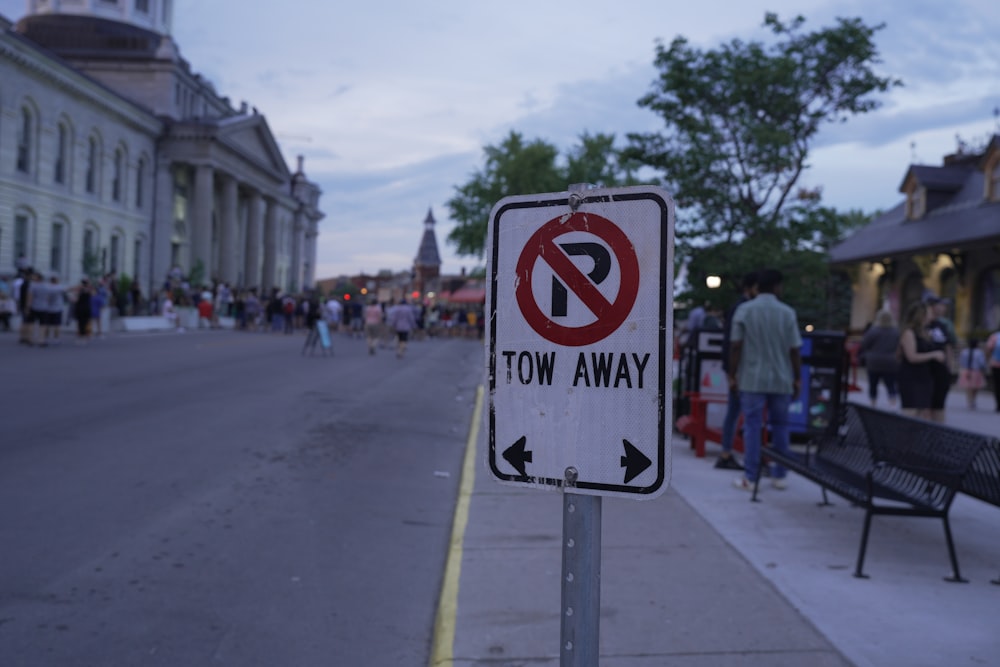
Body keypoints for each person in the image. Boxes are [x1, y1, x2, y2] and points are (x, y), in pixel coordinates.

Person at [728, 269, 801, 492]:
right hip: (781, 379)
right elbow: (794, 349)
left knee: (752, 426)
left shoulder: (744, 311)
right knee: (780, 426)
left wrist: (732, 375)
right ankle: (779, 475)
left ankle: (751, 476)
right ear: (778, 287)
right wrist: (797, 378)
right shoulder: (787, 313)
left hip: (752, 378)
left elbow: (736, 346)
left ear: (757, 287)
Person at [715, 271, 757, 471]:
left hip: (734, 366)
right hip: (738, 367)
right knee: (736, 412)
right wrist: (732, 374)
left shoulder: (738, 307)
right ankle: (726, 453)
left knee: (735, 412)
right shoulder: (743, 308)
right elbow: (734, 343)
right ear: (750, 288)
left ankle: (726, 452)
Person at [897, 301, 946, 420]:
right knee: (911, 412)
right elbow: (912, 357)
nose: (931, 315)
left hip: (926, 377)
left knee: (923, 413)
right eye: (929, 313)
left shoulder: (925, 332)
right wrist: (933, 354)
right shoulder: (908, 332)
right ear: (921, 315)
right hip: (912, 377)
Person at [858, 310, 901, 408]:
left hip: (874, 361)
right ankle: (892, 402)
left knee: (873, 383)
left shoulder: (873, 331)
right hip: (890, 361)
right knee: (890, 383)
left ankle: (873, 402)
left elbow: (864, 344)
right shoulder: (895, 332)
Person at [924, 296, 956, 422]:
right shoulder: (921, 326)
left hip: (941, 372)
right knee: (925, 406)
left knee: (939, 405)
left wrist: (949, 367)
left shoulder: (942, 325)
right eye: (941, 305)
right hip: (925, 371)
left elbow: (948, 346)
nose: (944, 308)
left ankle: (938, 436)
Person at [957, 338, 987, 410]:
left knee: (969, 388)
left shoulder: (964, 352)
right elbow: (982, 363)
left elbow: (961, 361)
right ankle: (972, 400)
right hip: (975, 371)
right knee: (974, 388)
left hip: (967, 370)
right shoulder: (979, 352)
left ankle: (970, 401)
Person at [73, 279, 93, 343]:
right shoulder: (89, 290)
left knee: (80, 323)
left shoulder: (79, 290)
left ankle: (81, 336)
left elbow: (75, 299)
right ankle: (85, 336)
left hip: (80, 308)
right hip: (87, 308)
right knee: (86, 322)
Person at [987, 328, 1000, 412]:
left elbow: (988, 349)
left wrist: (988, 359)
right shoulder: (994, 336)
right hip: (995, 365)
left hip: (995, 364)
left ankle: (998, 404)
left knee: (997, 385)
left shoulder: (995, 336)